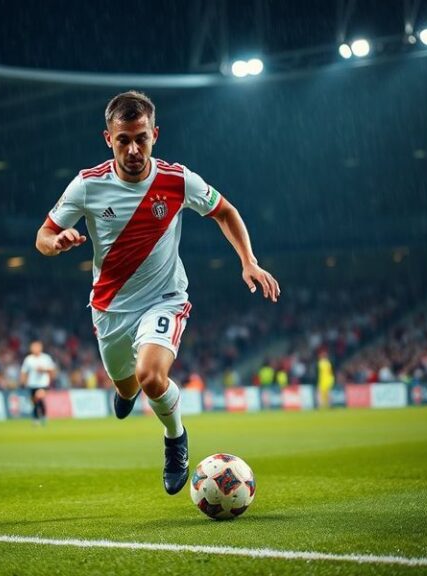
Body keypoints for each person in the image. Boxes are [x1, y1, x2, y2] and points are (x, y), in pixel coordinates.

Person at [35, 91, 280, 495]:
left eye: (141, 138)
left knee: (151, 376)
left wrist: (248, 260)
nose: (133, 149)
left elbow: (225, 211)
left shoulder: (178, 179)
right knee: (128, 385)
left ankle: (175, 439)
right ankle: (125, 390)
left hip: (164, 297)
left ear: (155, 134)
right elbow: (42, 236)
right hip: (110, 309)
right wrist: (56, 241)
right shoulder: (87, 185)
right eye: (123, 140)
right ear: (107, 138)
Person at [20, 340, 56, 426]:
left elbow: (52, 370)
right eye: (33, 347)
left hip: (43, 383)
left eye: (36, 347)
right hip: (32, 384)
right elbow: (24, 371)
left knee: (38, 397)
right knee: (36, 402)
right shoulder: (28, 359)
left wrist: (44, 370)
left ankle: (36, 418)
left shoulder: (46, 358)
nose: (35, 349)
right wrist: (23, 382)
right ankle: (42, 416)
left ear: (40, 348)